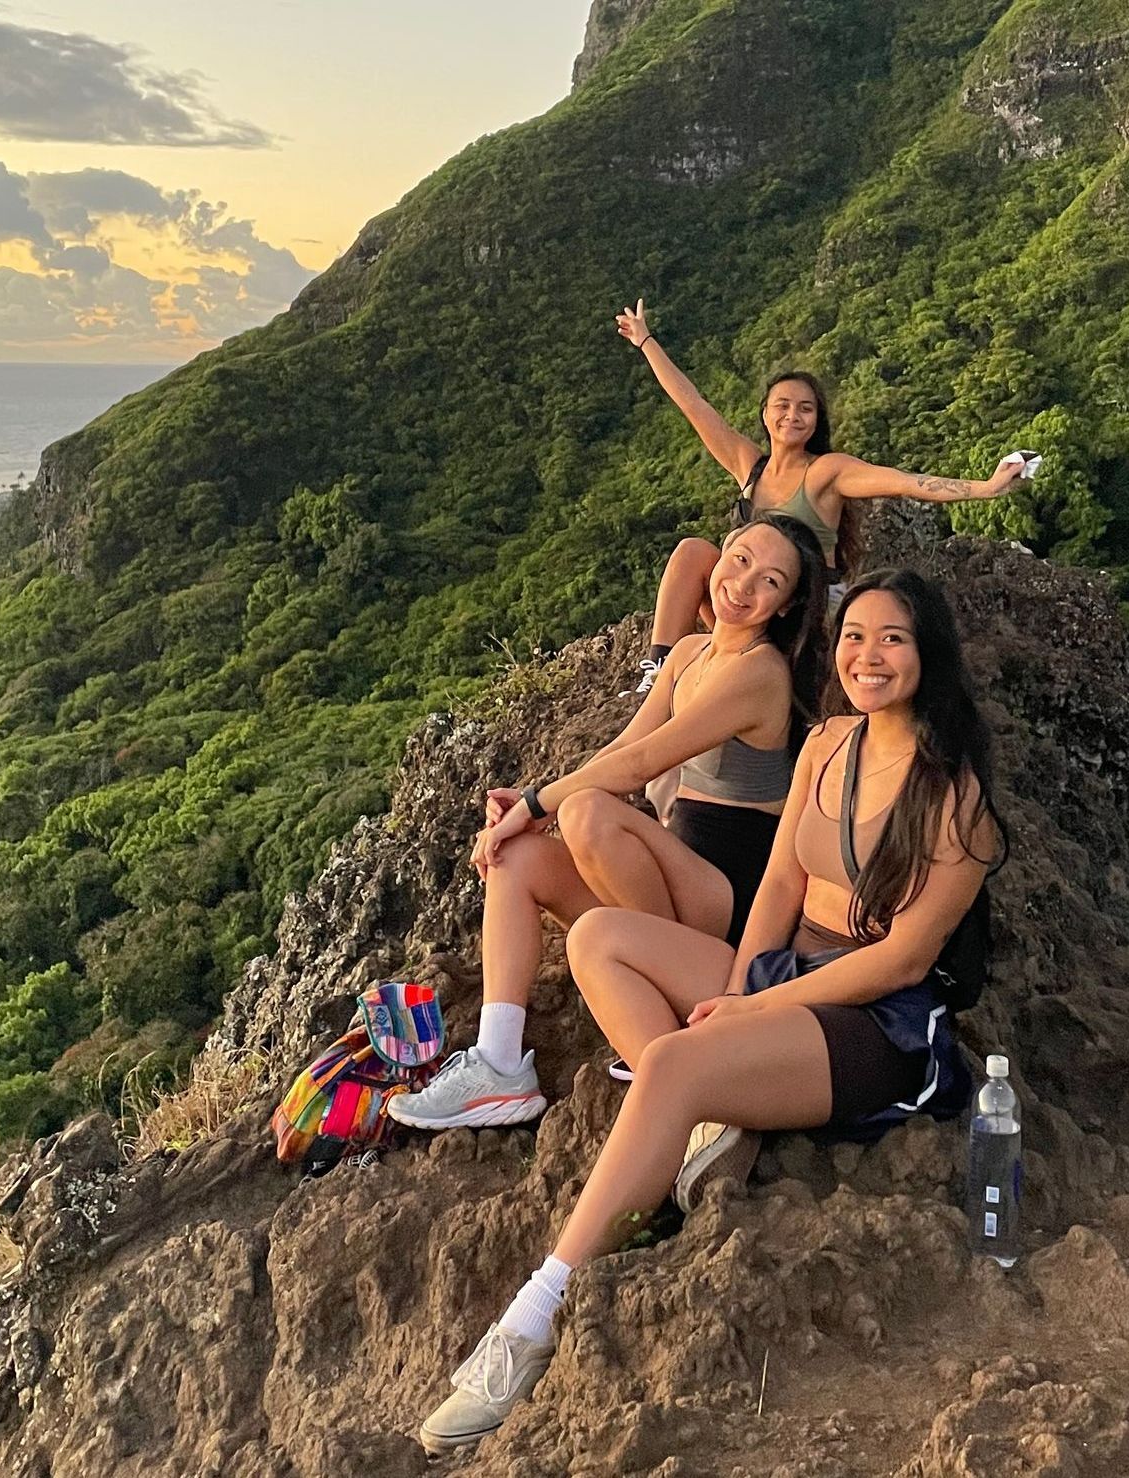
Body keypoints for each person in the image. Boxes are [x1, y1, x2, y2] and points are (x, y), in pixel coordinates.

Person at [417, 568, 1008, 1454]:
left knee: (669, 1062)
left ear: (929, 654)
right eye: (854, 636)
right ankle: (706, 1125)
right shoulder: (828, 744)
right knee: (599, 939)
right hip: (784, 974)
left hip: (875, 1022)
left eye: (893, 638)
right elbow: (779, 885)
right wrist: (737, 992)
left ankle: (531, 1322)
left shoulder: (957, 797)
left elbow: (903, 959)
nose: (868, 655)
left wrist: (753, 1013)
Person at [387, 513, 829, 1133]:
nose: (744, 583)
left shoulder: (760, 672)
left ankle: (658, 996)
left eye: (771, 581)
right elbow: (623, 748)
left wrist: (539, 803)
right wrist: (531, 803)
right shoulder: (690, 654)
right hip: (673, 886)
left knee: (585, 812)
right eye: (741, 559)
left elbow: (643, 765)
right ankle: (499, 1062)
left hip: (727, 901)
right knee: (517, 857)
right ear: (723, 552)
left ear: (784, 607)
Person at [616, 298, 1028, 694]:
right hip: (758, 603)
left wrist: (985, 488)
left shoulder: (827, 472)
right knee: (693, 552)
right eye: (782, 405)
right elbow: (693, 404)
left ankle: (735, 665)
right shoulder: (750, 466)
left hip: (805, 607)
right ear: (765, 414)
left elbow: (903, 481)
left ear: (816, 421)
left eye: (805, 409)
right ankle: (661, 669)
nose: (792, 416)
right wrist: (645, 340)